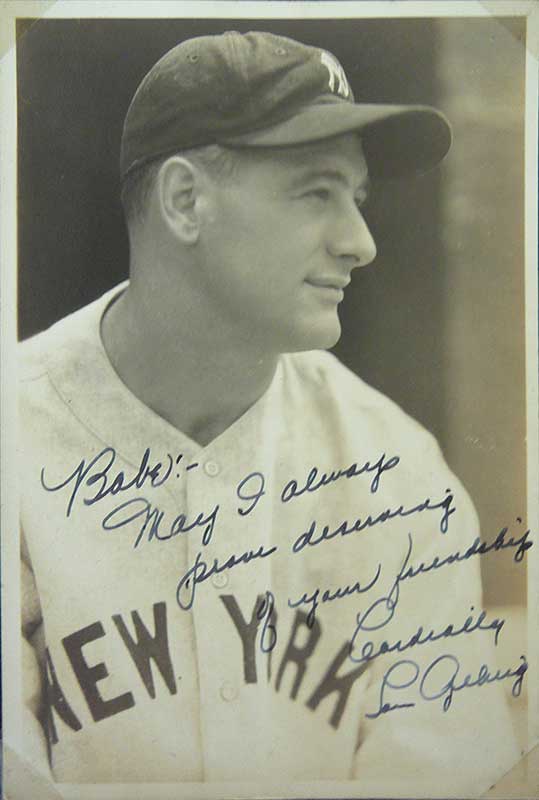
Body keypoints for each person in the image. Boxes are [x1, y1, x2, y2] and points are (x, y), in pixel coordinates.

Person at [19, 30, 522, 794]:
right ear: (186, 201)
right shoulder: (12, 435)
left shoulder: (396, 469)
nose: (360, 243)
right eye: (316, 192)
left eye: (355, 200)